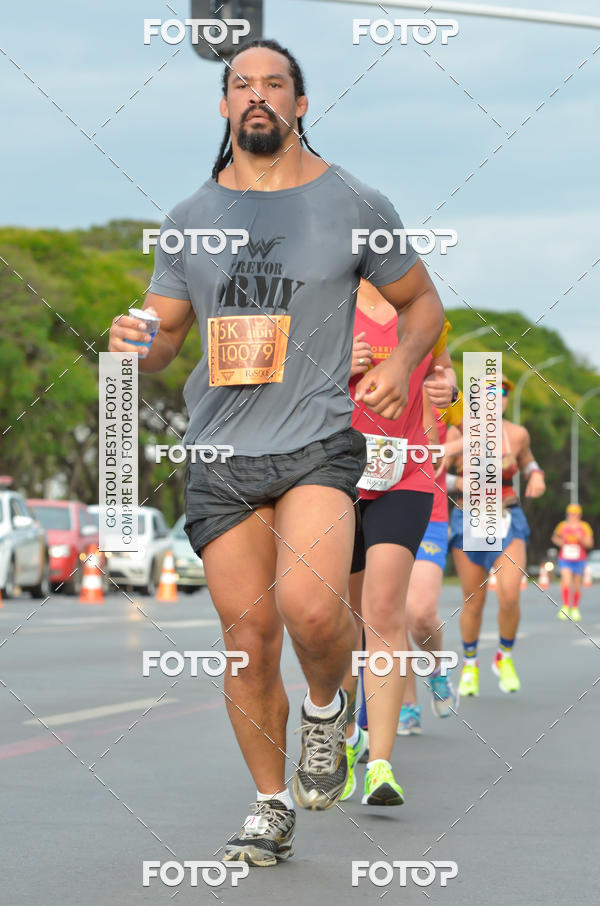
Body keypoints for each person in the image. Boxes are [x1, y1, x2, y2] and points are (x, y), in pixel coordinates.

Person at [108, 39, 444, 865]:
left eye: (275, 84)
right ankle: (268, 803)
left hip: (316, 443)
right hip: (219, 453)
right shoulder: (189, 219)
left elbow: (423, 303)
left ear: (301, 103)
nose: (257, 95)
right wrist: (130, 343)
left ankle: (327, 709)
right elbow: (162, 338)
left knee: (314, 610)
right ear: (224, 107)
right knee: (248, 636)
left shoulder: (355, 201)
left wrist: (402, 362)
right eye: (240, 85)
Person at [340, 281, 452, 805]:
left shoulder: (423, 309)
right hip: (333, 473)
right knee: (339, 619)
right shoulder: (323, 297)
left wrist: (444, 393)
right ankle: (340, 736)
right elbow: (281, 381)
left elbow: (442, 375)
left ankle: (380, 765)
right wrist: (338, 362)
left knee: (384, 612)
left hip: (403, 473)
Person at [448, 375, 546, 696]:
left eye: (502, 394)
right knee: (474, 601)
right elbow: (436, 467)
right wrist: (458, 483)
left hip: (507, 515)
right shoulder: (459, 430)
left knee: (510, 593)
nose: (497, 399)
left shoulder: (517, 434)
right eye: (489, 394)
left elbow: (529, 462)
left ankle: (504, 656)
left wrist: (536, 476)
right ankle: (471, 663)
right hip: (469, 516)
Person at [398, 323, 463, 735]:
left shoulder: (438, 383)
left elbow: (473, 434)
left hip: (430, 509)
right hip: (371, 504)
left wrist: (447, 448)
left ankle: (437, 668)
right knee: (387, 616)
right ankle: (406, 705)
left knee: (420, 615)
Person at [552, 504, 594, 621]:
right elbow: (554, 537)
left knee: (576, 585)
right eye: (571, 514)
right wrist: (562, 542)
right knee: (565, 581)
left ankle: (575, 608)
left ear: (579, 515)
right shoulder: (562, 526)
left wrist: (581, 538)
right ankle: (565, 607)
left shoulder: (585, 526)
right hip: (565, 558)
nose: (573, 516)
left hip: (579, 559)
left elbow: (590, 543)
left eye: (575, 514)